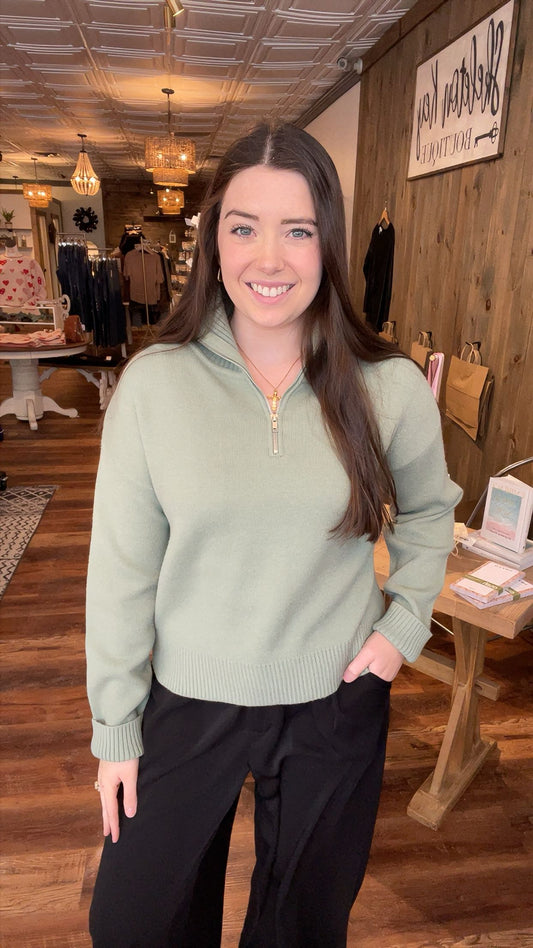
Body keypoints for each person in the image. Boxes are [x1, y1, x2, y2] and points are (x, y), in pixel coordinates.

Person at [86, 122, 462, 948]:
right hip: (187, 697)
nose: (269, 258)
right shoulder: (155, 385)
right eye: (243, 227)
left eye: (297, 230)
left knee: (301, 927)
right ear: (213, 242)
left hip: (334, 692)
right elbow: (120, 570)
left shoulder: (387, 386)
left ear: (328, 244)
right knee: (133, 923)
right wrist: (114, 727)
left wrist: (401, 628)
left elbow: (431, 510)